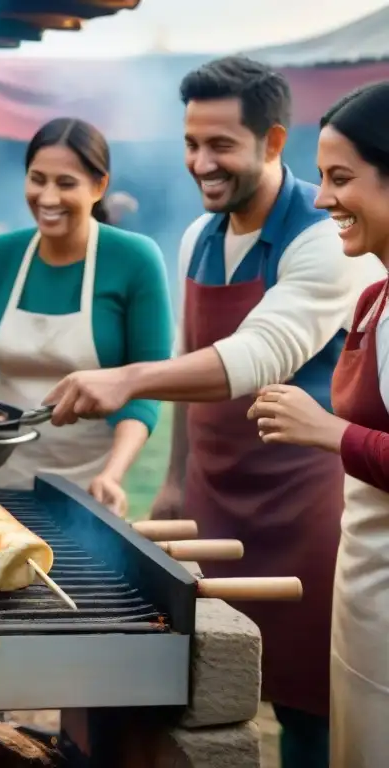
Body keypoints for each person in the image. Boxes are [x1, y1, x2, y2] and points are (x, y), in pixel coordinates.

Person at [43, 57, 384, 764]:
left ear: (272, 141)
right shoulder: (198, 237)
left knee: (310, 704)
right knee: (199, 686)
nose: (202, 161)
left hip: (301, 508)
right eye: (192, 142)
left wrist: (126, 379)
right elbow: (191, 352)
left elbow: (261, 352)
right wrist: (175, 475)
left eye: (221, 144)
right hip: (213, 495)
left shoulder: (325, 241)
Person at [248, 81, 389, 767]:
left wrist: (327, 431)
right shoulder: (372, 298)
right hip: (363, 588)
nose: (323, 198)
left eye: (340, 178)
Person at [0, 118, 172, 512]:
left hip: (91, 487)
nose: (48, 197)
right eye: (37, 179)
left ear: (99, 186)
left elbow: (145, 389)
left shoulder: (135, 259)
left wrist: (113, 475)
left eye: (66, 183)